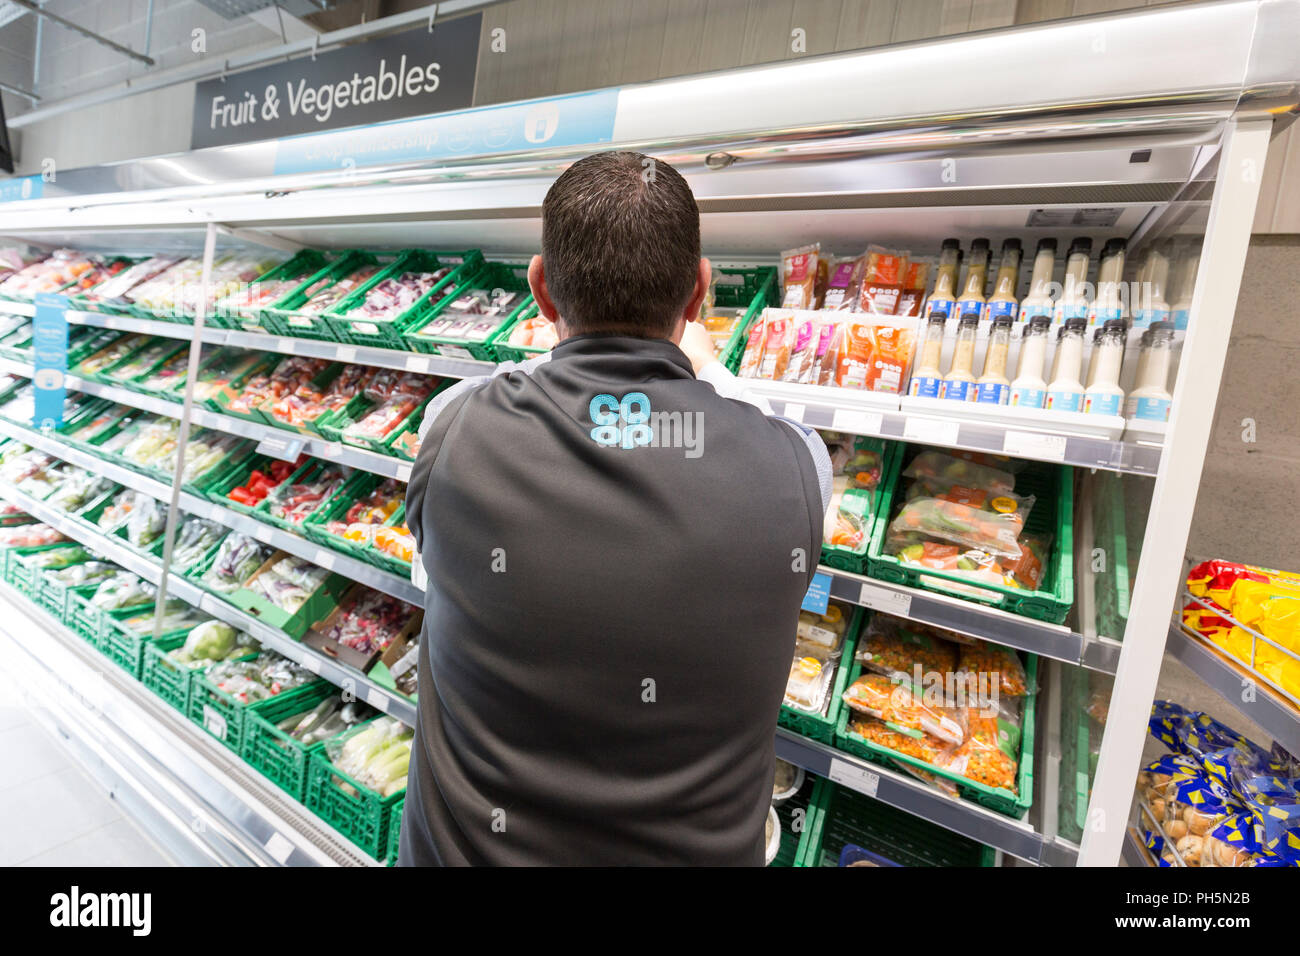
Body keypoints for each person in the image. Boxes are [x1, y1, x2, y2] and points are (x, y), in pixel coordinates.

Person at [398, 150, 831, 866]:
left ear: (540, 288)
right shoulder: (799, 467)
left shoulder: (451, 429)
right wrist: (708, 366)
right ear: (700, 293)